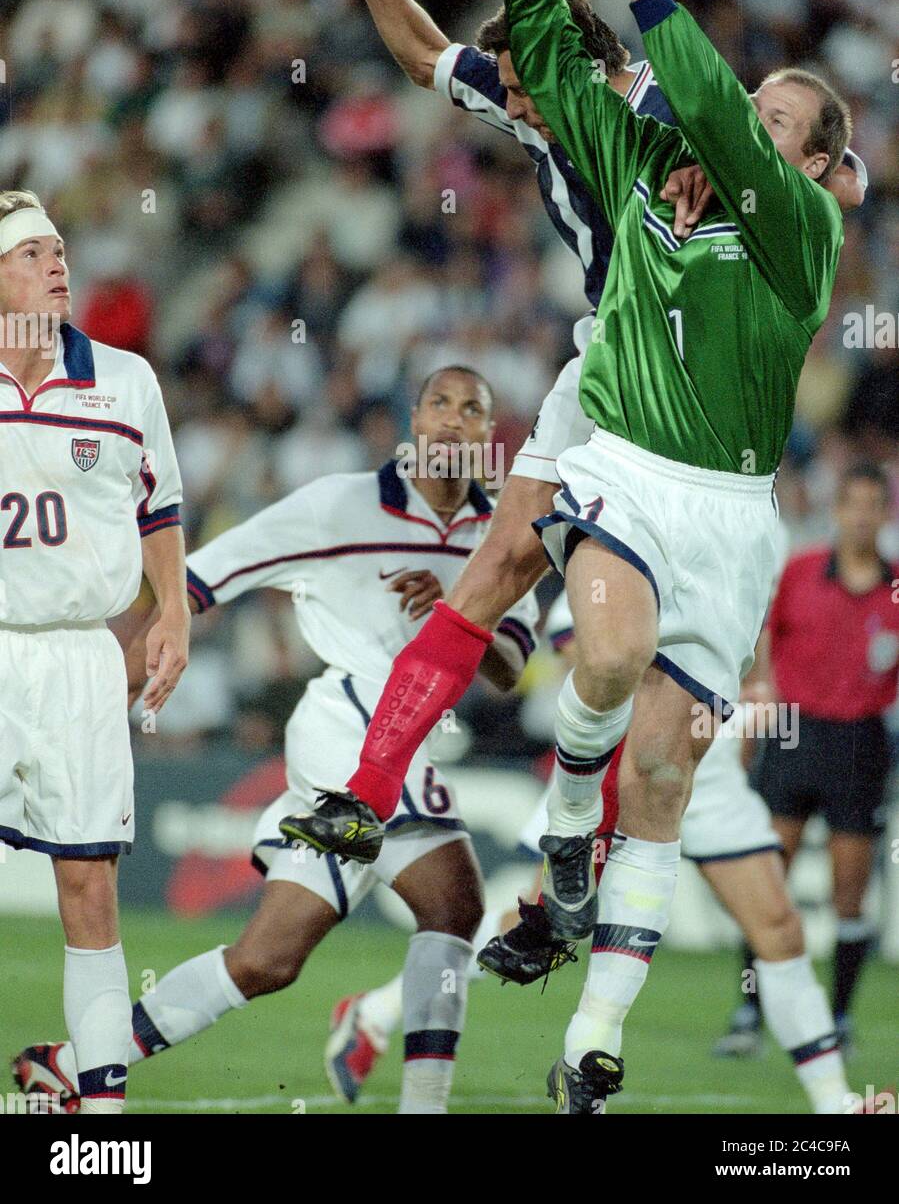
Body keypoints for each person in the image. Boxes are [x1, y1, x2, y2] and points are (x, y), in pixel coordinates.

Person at [277, 0, 865, 870]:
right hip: (605, 366)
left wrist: (728, 174)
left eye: (520, 88)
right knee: (500, 570)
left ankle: (589, 841)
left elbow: (796, 169)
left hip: (692, 394)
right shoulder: (539, 103)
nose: (511, 109)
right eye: (506, 90)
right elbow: (428, 60)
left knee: (629, 664)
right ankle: (371, 795)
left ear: (581, 70)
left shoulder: (653, 111)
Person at [15, 366, 538, 1116]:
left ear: (492, 433)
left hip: (402, 745)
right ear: (413, 418)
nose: (454, 420)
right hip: (348, 723)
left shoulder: (501, 539)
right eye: (440, 404)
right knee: (454, 905)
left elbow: (513, 667)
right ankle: (426, 1106)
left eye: (473, 409)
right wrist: (99, 698)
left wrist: (467, 613)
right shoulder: (339, 507)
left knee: (268, 960)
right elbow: (198, 584)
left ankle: (70, 1065)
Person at [328, 592, 851, 1115]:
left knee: (779, 927)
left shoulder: (748, 540)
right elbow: (575, 642)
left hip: (708, 775)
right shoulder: (636, 539)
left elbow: (751, 643)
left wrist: (755, 686)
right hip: (621, 767)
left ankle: (837, 1105)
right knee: (534, 922)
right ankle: (379, 1010)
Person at [1, 189, 187, 1114]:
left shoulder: (126, 380)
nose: (57, 265)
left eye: (60, 250)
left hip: (77, 658)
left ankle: (101, 1114)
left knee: (87, 883)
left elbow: (160, 506)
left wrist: (175, 615)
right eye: (33, 253)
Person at [720, 461, 898, 1056]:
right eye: (855, 503)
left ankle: (839, 1018)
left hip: (859, 743)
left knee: (850, 894)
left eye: (875, 504)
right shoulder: (797, 573)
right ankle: (749, 1012)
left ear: (885, 513)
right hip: (793, 736)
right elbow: (763, 663)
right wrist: (750, 739)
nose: (863, 515)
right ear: (838, 509)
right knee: (768, 882)